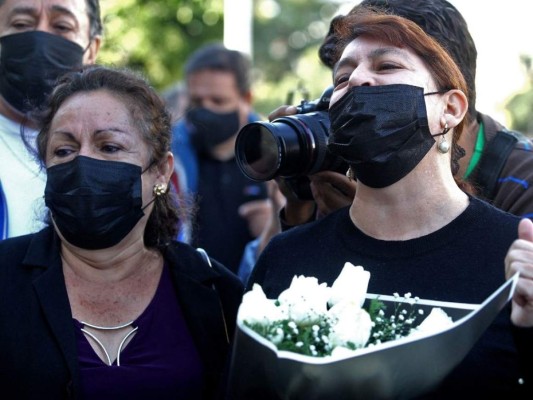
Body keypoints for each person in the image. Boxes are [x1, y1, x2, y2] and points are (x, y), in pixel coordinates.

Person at [246, 9, 532, 399]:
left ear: (450, 109)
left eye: (387, 65)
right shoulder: (287, 255)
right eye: (343, 77)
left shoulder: (516, 257)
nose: (359, 79)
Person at [0, 65, 243, 399]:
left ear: (160, 172)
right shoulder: (4, 275)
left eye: (109, 147)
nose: (82, 162)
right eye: (64, 151)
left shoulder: (217, 292)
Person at [0, 0, 102, 240]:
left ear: (92, 49)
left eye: (63, 26)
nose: (40, 38)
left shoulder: (123, 152)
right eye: (21, 23)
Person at [171, 42, 270, 273]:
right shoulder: (169, 159)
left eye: (218, 101)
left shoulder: (276, 158)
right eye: (197, 102)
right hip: (189, 293)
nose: (206, 110)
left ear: (246, 98)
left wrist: (277, 223)